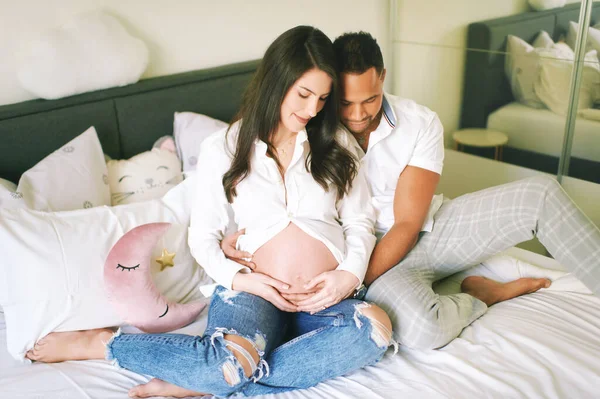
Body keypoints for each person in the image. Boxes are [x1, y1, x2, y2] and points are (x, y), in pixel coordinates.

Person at [25, 26, 394, 398]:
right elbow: (202, 238)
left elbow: (360, 221)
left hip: (322, 297)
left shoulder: (335, 142)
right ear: (276, 82)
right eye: (304, 94)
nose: (312, 109)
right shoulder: (224, 147)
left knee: (375, 331)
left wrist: (347, 276)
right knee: (229, 362)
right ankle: (104, 345)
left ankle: (200, 379)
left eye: (322, 98)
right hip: (254, 292)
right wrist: (242, 280)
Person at [271, 31, 600, 351]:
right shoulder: (308, 126)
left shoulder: (419, 122)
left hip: (427, 232)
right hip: (368, 254)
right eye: (345, 102)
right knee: (423, 329)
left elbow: (408, 224)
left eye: (369, 99)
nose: (358, 115)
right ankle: (482, 295)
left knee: (539, 195)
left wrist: (352, 280)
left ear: (383, 77)